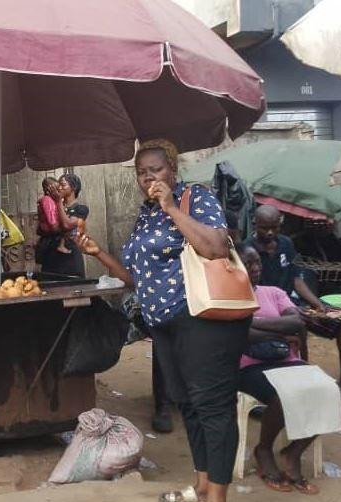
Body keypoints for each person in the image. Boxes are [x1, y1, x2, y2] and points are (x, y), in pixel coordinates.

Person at [75, 139, 251, 502]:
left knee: (213, 405)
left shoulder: (195, 198)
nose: (148, 177)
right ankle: (203, 486)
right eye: (142, 172)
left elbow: (216, 247)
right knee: (186, 403)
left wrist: (171, 206)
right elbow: (139, 279)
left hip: (203, 318)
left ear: (172, 169)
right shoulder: (146, 213)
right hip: (164, 323)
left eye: (155, 169)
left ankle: (217, 496)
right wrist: (100, 253)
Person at [248, 205, 341, 404]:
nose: (270, 232)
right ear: (254, 224)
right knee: (297, 326)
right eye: (264, 227)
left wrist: (319, 304)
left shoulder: (286, 244)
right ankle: (305, 382)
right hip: (266, 311)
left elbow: (296, 279)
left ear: (280, 224)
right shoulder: (247, 251)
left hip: (291, 305)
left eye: (274, 227)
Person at [237, 242, 339, 495]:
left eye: (257, 262)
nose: (255, 268)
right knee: (284, 393)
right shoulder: (229, 300)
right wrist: (277, 330)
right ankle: (263, 449)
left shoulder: (273, 292)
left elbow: (296, 322)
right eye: (247, 263)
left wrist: (256, 321)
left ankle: (293, 452)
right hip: (250, 367)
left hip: (287, 361)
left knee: (333, 391)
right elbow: (242, 334)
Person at [37, 173, 89, 277]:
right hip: (50, 259)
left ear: (73, 188)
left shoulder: (81, 209)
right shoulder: (52, 205)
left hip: (70, 260)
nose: (59, 188)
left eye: (63, 185)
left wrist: (58, 202)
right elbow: (41, 229)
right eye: (58, 185)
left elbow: (66, 225)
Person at [36, 177, 71, 255]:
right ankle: (61, 246)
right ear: (49, 190)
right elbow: (53, 224)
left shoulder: (53, 200)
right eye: (56, 189)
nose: (58, 191)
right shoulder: (47, 200)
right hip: (52, 237)